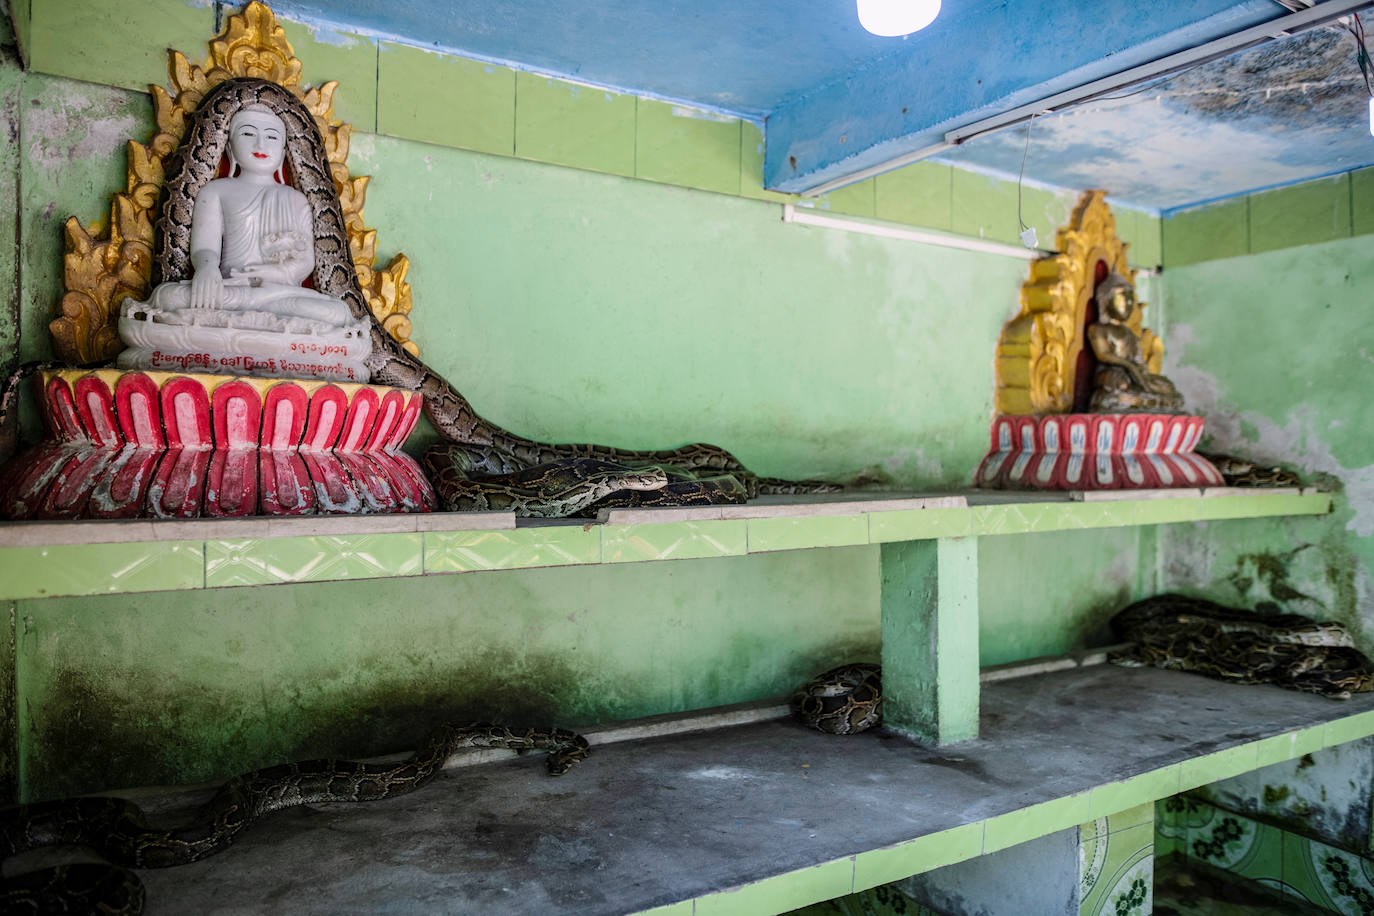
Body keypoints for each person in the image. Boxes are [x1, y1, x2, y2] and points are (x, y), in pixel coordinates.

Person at [139, 104, 357, 330]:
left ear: (283, 154)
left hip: (280, 293)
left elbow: (305, 262)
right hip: (229, 289)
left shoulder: (296, 199)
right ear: (230, 149)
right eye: (248, 134)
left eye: (271, 137)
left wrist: (275, 273)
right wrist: (206, 267)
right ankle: (278, 332)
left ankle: (222, 327)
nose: (260, 144)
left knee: (337, 312)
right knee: (168, 297)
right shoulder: (216, 191)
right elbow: (205, 247)